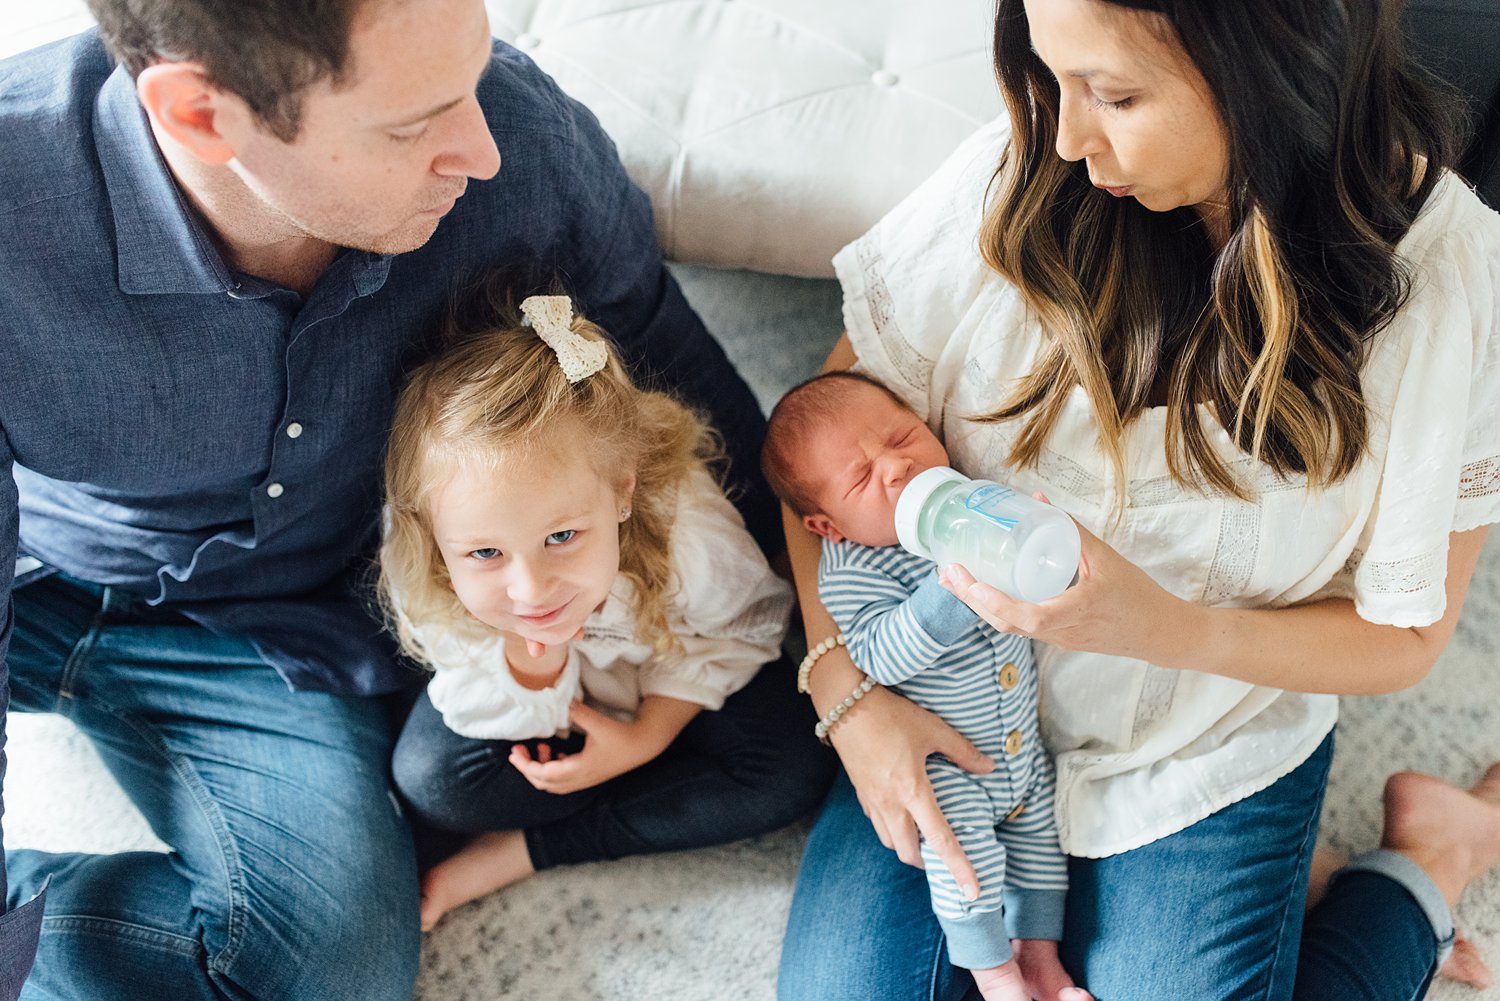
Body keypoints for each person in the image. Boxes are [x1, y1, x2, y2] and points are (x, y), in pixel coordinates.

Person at [0, 0, 778, 997]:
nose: (483, 150)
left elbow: (680, 393)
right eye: (415, 124)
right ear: (201, 116)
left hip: (270, 635)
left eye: (472, 75)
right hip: (41, 571)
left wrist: (839, 670)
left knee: (334, 967)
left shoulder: (526, 148)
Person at [774, 1, 1500, 1000]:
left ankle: (1429, 858)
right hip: (957, 715)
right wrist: (844, 694)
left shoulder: (1448, 282)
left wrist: (1165, 627)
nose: (1068, 137)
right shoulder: (1028, 170)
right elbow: (814, 457)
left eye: (1115, 94)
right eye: (1051, 74)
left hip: (1202, 738)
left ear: (1277, 65)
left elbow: (1406, 634)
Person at [381, 293, 831, 931]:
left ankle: (531, 850)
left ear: (622, 491)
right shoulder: (424, 565)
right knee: (432, 780)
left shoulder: (683, 527)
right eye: (485, 552)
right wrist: (534, 660)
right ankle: (653, 785)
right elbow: (466, 679)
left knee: (790, 767)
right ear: (431, 530)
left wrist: (646, 737)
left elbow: (742, 627)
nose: (531, 588)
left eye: (562, 537)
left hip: (672, 679)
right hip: (553, 709)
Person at [761, 371, 1083, 1001]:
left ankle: (1041, 961)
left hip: (1022, 750)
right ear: (829, 526)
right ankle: (996, 977)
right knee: (966, 868)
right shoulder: (854, 569)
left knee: (1045, 856)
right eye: (861, 477)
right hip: (948, 766)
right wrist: (954, 586)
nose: (895, 467)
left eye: (902, 436)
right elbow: (880, 656)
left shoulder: (975, 503)